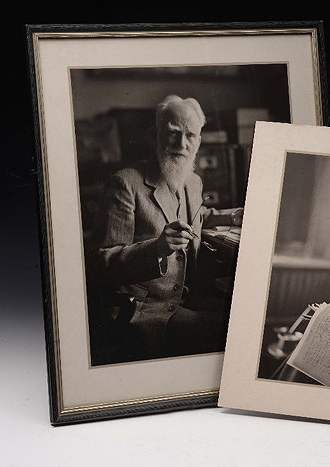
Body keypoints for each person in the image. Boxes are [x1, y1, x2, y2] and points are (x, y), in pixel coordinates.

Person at [87, 95, 242, 363]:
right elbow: (102, 262)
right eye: (173, 134)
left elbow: (194, 216)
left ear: (199, 141)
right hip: (146, 309)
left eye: (190, 135)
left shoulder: (192, 181)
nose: (181, 145)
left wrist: (231, 215)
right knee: (233, 334)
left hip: (186, 297)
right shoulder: (125, 183)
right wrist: (157, 248)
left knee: (244, 318)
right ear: (155, 134)